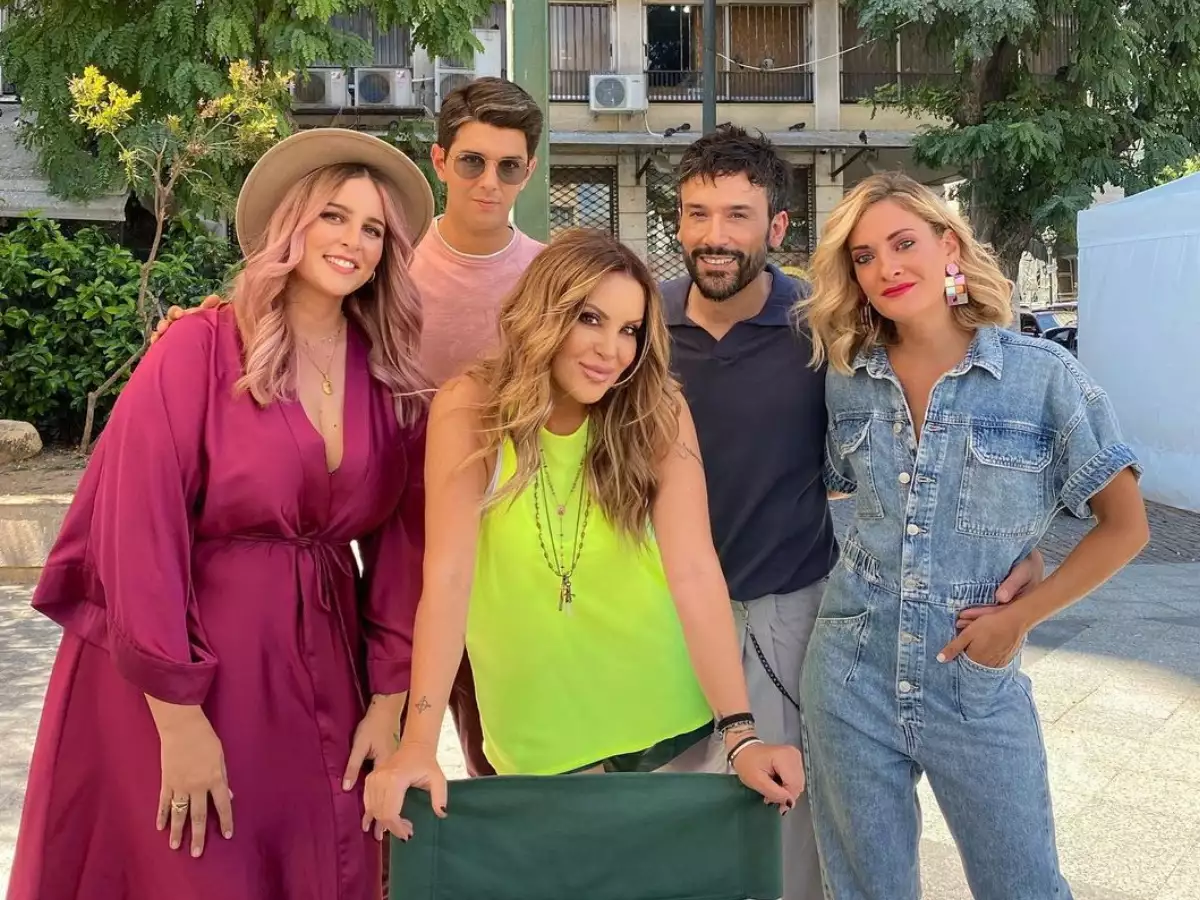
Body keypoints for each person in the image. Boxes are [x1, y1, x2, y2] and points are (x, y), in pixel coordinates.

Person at [9, 128, 434, 900]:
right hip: (182, 670)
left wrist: (389, 700)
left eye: (373, 229)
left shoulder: (390, 377)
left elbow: (406, 549)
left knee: (323, 858)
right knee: (198, 868)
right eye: (334, 216)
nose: (354, 241)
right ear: (291, 223)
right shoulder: (197, 348)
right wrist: (178, 720)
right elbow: (137, 531)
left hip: (324, 671)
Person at [660, 126, 1045, 900]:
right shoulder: (637, 322)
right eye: (697, 213)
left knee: (795, 841)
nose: (714, 234)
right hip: (657, 615)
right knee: (669, 829)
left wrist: (1015, 552)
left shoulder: (825, 327)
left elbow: (919, 428)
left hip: (788, 612)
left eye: (737, 215)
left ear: (777, 227)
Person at [154, 77, 546, 779]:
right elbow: (291, 328)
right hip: (401, 546)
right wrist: (212, 328)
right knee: (375, 762)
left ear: (529, 171)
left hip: (520, 548)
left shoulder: (550, 280)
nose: (489, 182)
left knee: (510, 763)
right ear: (440, 160)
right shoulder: (384, 263)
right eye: (472, 161)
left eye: (508, 166)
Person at [362, 228, 805, 836]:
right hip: (539, 736)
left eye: (630, 330)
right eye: (590, 319)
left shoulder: (656, 409)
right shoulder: (470, 407)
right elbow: (447, 578)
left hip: (668, 719)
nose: (611, 350)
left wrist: (741, 733)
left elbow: (694, 570)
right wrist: (417, 741)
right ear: (544, 313)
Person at [798, 171, 1149, 900]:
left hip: (974, 679)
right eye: (864, 257)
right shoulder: (847, 379)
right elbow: (837, 492)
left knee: (1024, 886)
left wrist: (1023, 613)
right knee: (862, 890)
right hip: (850, 673)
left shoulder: (1041, 376)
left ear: (948, 246)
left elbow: (1126, 527)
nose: (887, 267)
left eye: (903, 243)